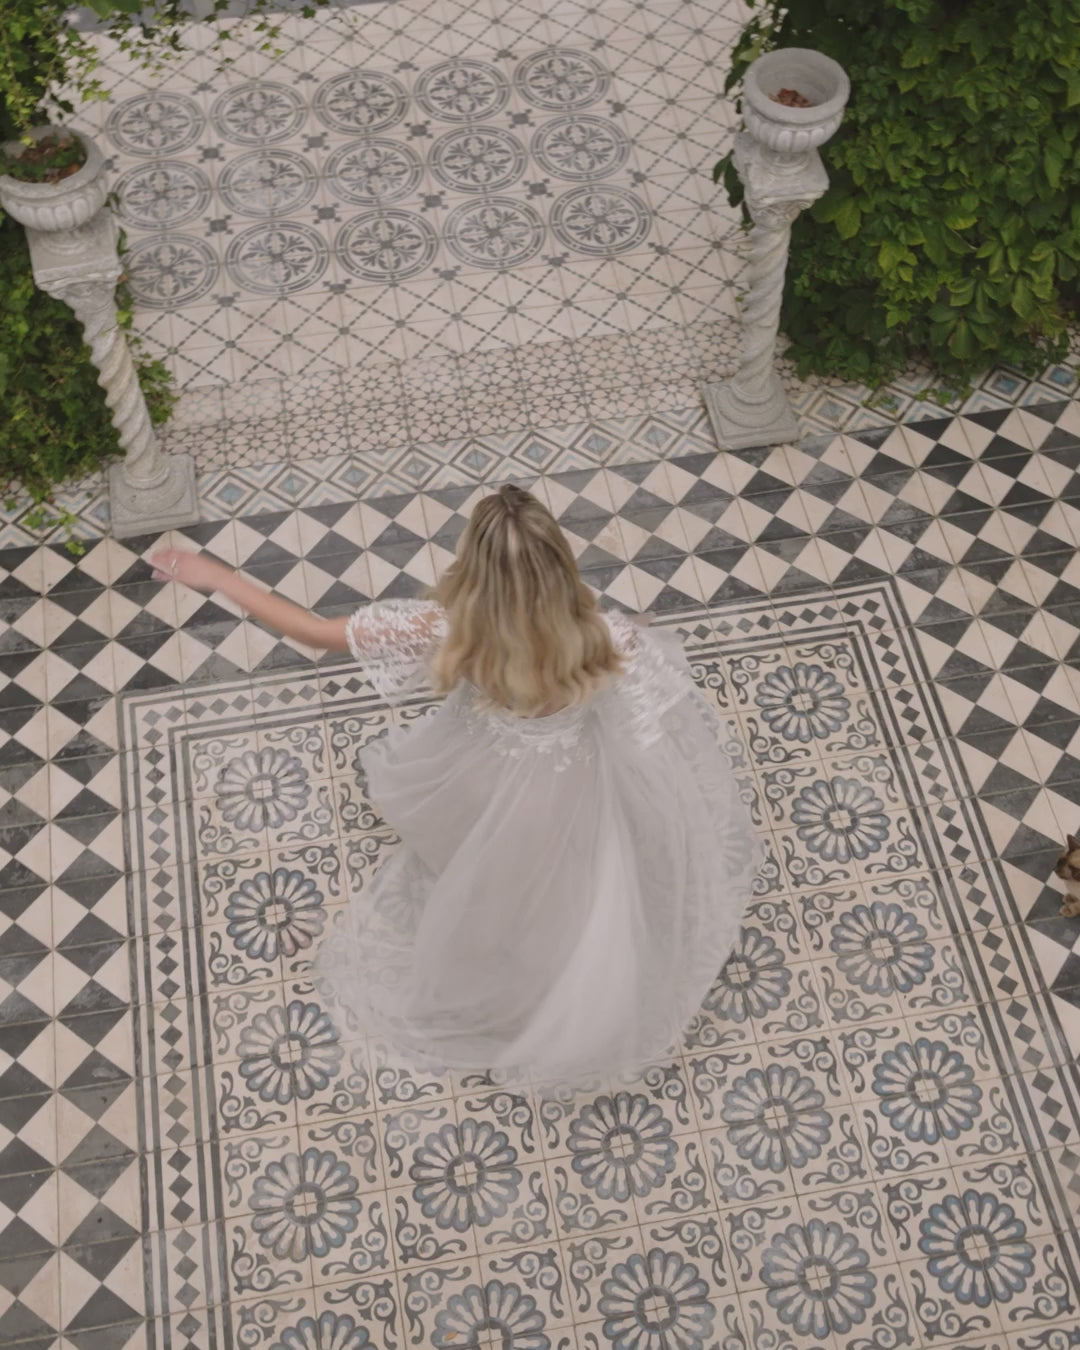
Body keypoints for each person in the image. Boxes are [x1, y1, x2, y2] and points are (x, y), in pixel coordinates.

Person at [151, 484, 759, 1085]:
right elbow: (654, 721)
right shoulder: (605, 636)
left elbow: (312, 632)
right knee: (566, 886)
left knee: (495, 876)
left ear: (474, 566)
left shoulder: (449, 630)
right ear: (559, 566)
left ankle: (507, 983)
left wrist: (217, 577)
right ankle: (556, 985)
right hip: (568, 787)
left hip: (482, 773)